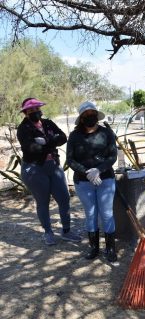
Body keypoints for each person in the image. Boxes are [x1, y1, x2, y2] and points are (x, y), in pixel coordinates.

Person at [17, 97, 81, 246]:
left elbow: (63, 137)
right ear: (26, 113)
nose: (35, 112)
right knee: (43, 201)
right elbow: (31, 148)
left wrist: (46, 141)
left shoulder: (48, 123)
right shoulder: (24, 129)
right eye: (31, 110)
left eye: (37, 109)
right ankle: (48, 232)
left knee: (64, 198)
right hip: (34, 169)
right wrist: (51, 142)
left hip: (53, 165)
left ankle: (66, 231)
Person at [66, 101, 118, 262]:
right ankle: (93, 247)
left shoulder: (106, 133)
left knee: (107, 213)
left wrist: (99, 170)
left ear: (96, 115)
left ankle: (110, 248)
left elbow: (112, 156)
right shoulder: (75, 136)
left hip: (105, 179)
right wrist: (86, 172)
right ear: (81, 118)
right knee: (90, 214)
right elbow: (70, 159)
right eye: (86, 115)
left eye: (92, 114)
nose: (90, 117)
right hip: (83, 182)